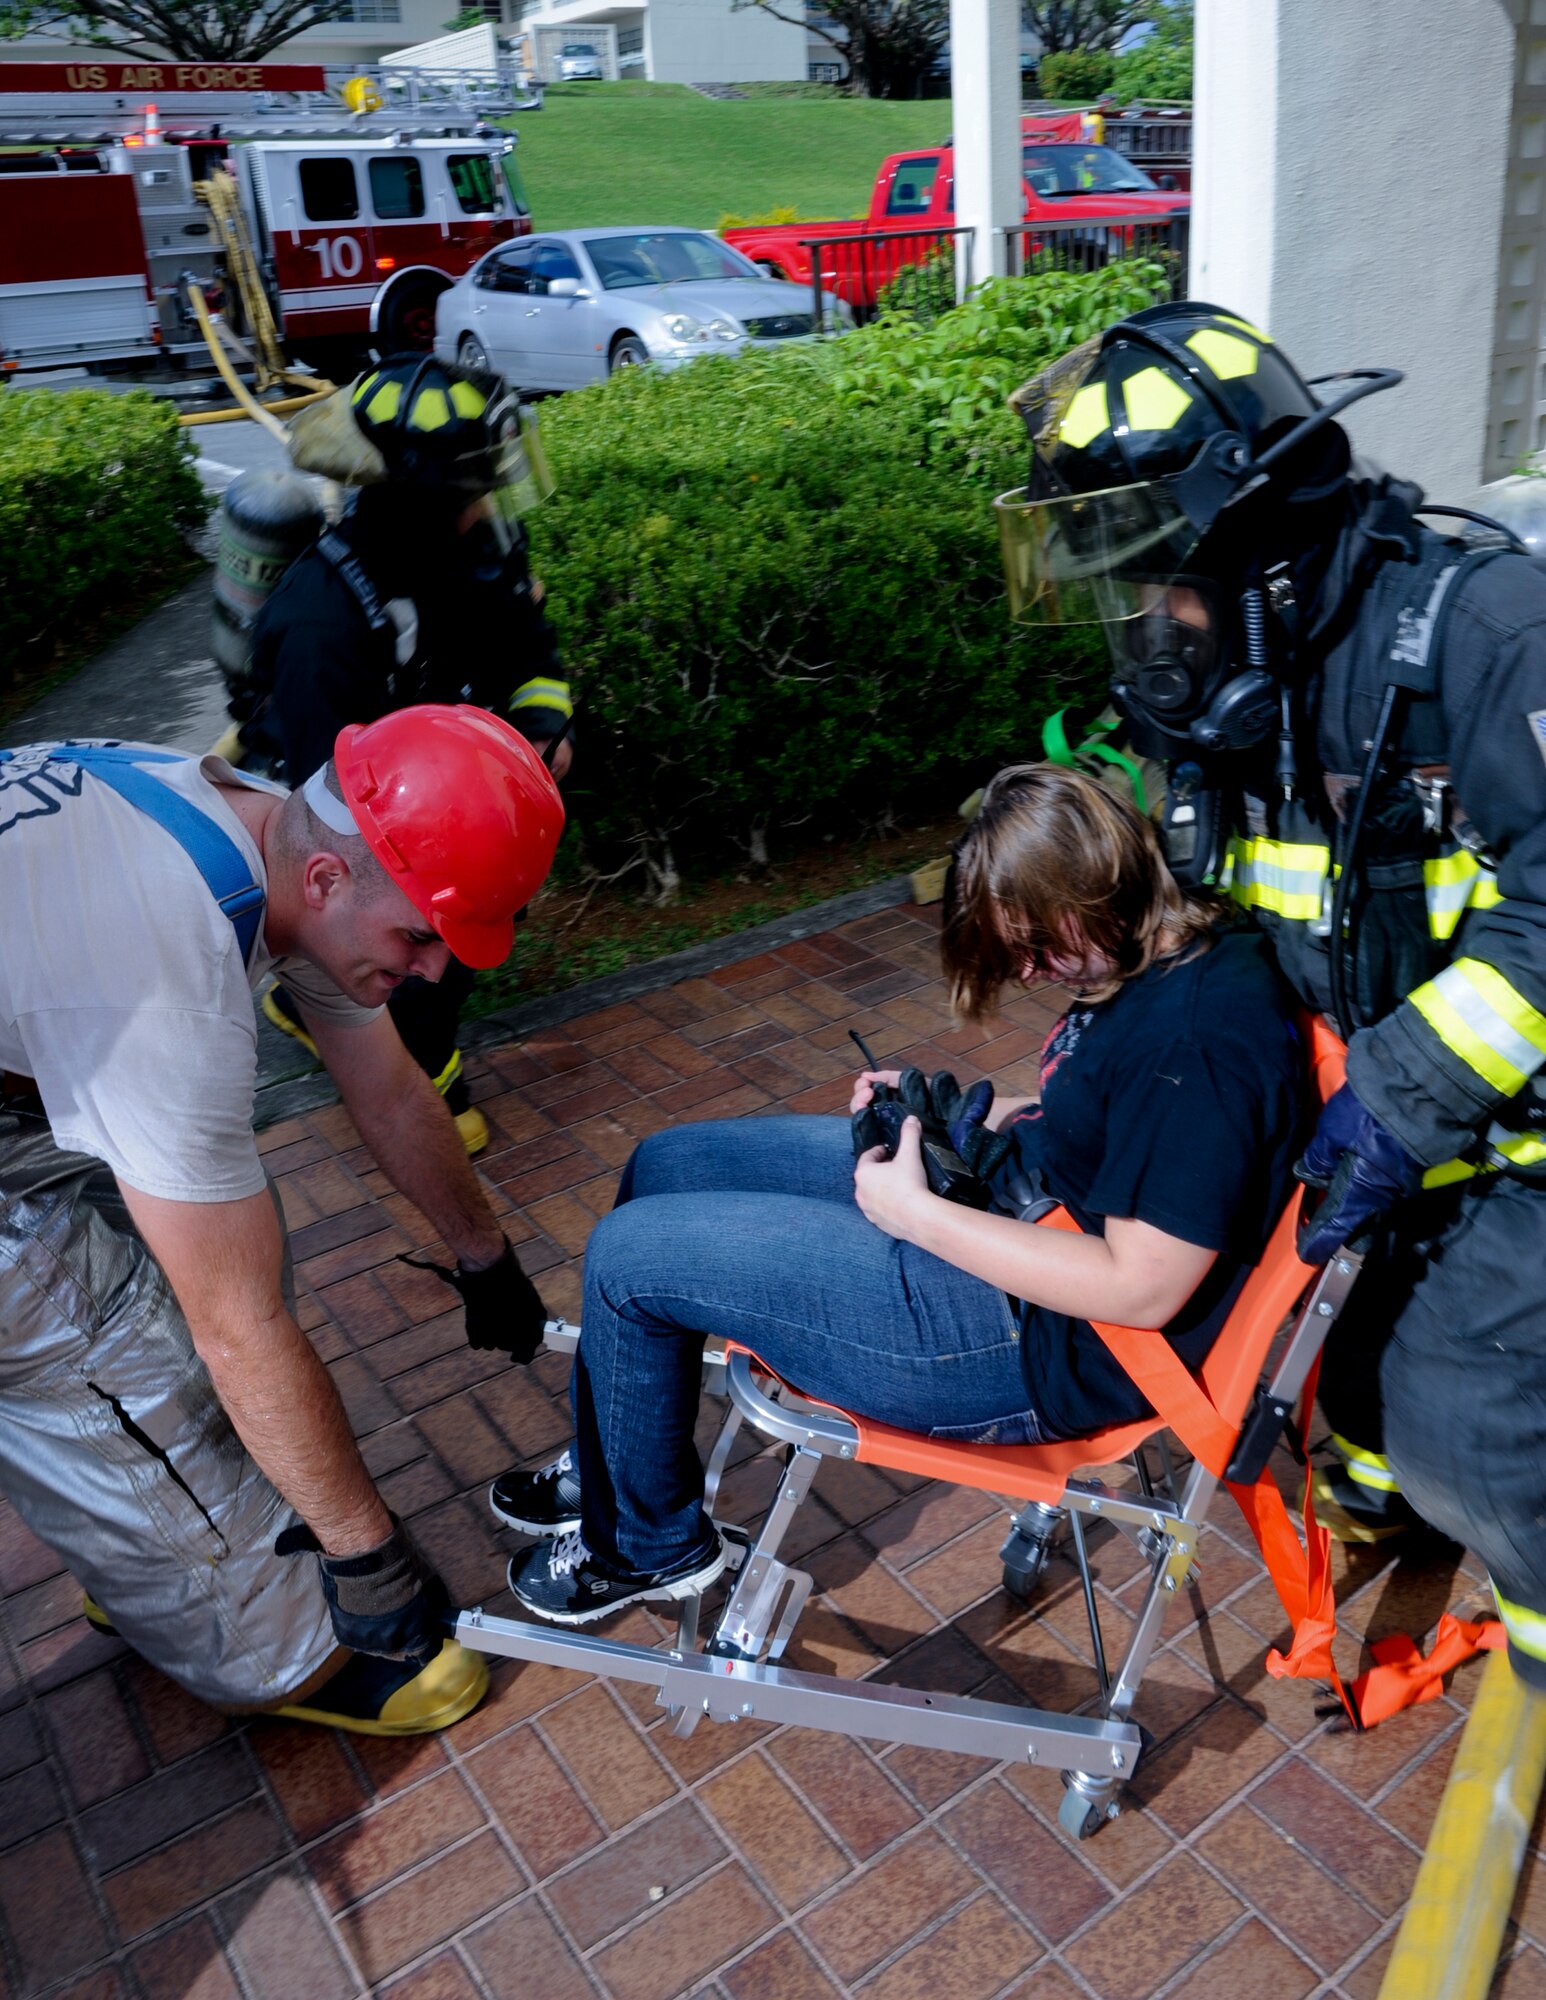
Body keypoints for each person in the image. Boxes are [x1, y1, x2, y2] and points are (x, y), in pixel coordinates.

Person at [993, 301, 1546, 1684]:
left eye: (1155, 580)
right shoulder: (1245, 688)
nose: (1143, 625)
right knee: (1326, 1343)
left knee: (1462, 1413)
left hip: (1512, 1137)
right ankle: (1371, 1488)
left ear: (1262, 556)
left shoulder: (1484, 641)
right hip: (1389, 1127)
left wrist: (1404, 1096)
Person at [488, 765, 1302, 1622]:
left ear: (1084, 897)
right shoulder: (1162, 943)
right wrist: (950, 1112)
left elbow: (1143, 1285)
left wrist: (917, 1213)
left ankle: (648, 1547)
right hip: (1020, 1216)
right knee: (665, 1166)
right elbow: (1125, 1121)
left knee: (628, 1258)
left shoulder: (1196, 1046)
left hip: (1035, 1344)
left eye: (1032, 948)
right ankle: (615, 1462)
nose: (1028, 973)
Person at [0, 705, 563, 1731]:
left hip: (31, 1062)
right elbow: (237, 1326)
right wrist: (369, 1559)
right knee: (99, 1351)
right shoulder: (164, 959)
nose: (438, 969)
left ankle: (141, 1561)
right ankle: (282, 1649)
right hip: (47, 1069)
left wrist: (486, 1256)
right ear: (327, 879)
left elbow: (389, 1089)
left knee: (220, 1250)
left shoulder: (259, 835)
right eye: (420, 936)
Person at [238, 356, 574, 1157]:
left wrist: (539, 733)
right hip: (349, 806)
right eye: (469, 492)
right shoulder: (324, 622)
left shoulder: (467, 552)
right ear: (418, 500)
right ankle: (412, 1058)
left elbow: (531, 654)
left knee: (483, 895)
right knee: (424, 914)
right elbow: (341, 826)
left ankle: (347, 1008)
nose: (487, 507)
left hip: (442, 783)